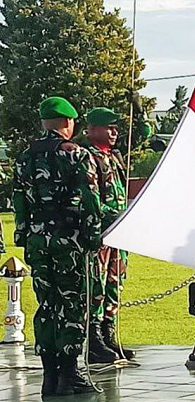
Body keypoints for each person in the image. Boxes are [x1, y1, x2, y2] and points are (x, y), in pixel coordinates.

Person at [13, 97, 103, 395]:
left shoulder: (25, 157)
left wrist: (25, 235)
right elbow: (90, 199)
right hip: (68, 239)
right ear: (68, 122)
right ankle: (69, 372)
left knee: (47, 303)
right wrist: (93, 235)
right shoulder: (77, 155)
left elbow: (19, 201)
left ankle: (49, 375)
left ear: (43, 122)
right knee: (71, 302)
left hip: (38, 239)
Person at [84, 108, 135, 363]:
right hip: (101, 233)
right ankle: (94, 340)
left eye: (116, 128)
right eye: (109, 128)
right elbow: (91, 200)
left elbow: (140, 133)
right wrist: (113, 216)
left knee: (115, 284)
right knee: (98, 285)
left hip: (118, 234)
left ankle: (109, 333)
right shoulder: (88, 158)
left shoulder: (114, 156)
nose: (114, 132)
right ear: (92, 130)